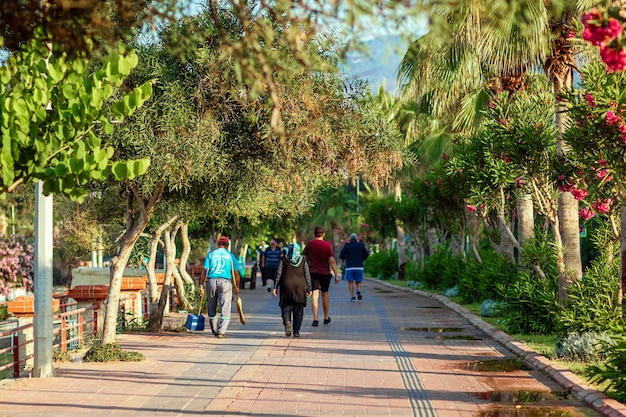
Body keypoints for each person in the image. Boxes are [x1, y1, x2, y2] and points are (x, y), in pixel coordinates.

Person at [202, 235, 241, 338]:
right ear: (227, 245)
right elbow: (236, 273)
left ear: (218, 244)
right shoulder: (230, 256)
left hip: (211, 281)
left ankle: (214, 330)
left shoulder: (211, 254)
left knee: (211, 306)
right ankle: (221, 331)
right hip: (225, 282)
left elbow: (204, 271)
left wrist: (202, 285)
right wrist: (237, 287)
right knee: (225, 306)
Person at [272, 243, 312, 337]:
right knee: (299, 309)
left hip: (286, 286)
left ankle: (287, 322)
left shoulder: (284, 259)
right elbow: (307, 275)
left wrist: (275, 286)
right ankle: (296, 331)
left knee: (285, 306)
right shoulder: (303, 260)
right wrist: (309, 288)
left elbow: (278, 273)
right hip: (300, 287)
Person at [302, 226, 338, 326]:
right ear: (323, 234)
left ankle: (315, 319)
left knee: (314, 295)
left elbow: (303, 258)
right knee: (325, 294)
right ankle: (326, 317)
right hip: (325, 273)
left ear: (314, 234)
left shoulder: (310, 244)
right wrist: (336, 274)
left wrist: (301, 271)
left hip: (313, 272)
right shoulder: (327, 245)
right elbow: (332, 260)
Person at [339, 233, 370, 302]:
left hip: (349, 267)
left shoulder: (347, 246)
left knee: (350, 282)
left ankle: (353, 297)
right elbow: (366, 254)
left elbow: (341, 256)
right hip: (359, 266)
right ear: (356, 239)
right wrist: (362, 258)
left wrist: (346, 257)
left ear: (350, 239)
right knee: (358, 280)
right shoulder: (361, 245)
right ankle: (358, 289)